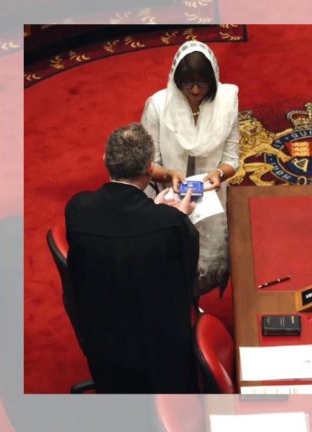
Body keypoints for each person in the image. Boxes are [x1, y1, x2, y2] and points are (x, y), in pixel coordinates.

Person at [65, 123, 200, 393]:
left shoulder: (77, 208)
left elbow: (121, 232)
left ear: (105, 160)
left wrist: (155, 211)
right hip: (157, 350)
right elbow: (186, 279)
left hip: (103, 340)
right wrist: (177, 217)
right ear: (150, 169)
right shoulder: (170, 224)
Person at [141, 40, 238, 296]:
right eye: (188, 85)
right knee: (167, 263)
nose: (195, 91)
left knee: (209, 264)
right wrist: (169, 174)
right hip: (166, 196)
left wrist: (219, 174)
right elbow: (147, 164)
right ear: (177, 82)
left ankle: (193, 300)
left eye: (202, 84)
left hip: (210, 199)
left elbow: (232, 159)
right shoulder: (158, 105)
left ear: (213, 81)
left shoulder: (226, 101)